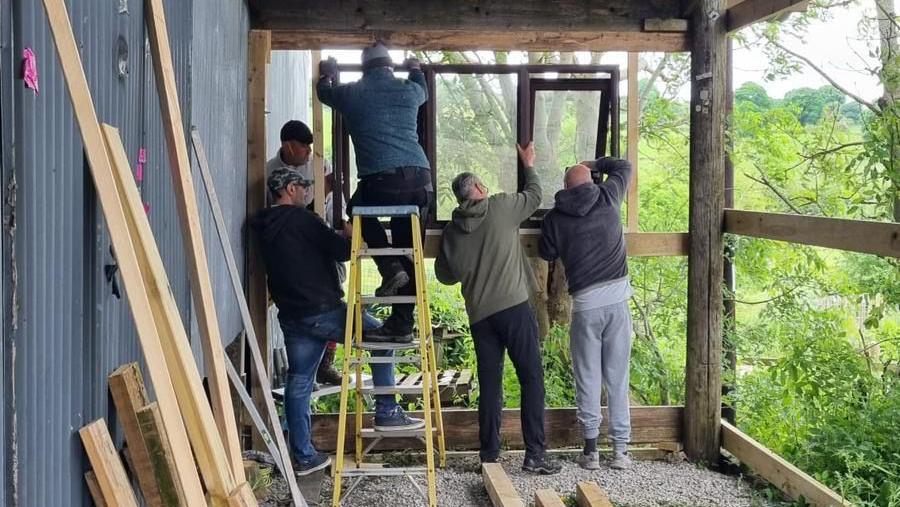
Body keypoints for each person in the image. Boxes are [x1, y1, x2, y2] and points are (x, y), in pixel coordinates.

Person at [251, 167, 424, 475]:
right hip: (324, 310)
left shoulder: (263, 225)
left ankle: (303, 456)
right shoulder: (303, 220)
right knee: (383, 338)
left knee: (300, 381)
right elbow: (343, 252)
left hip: (292, 316)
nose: (306, 193)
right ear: (289, 189)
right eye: (303, 188)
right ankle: (386, 411)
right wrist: (347, 235)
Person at [435, 142, 561, 475]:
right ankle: (535, 454)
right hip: (514, 307)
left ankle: (489, 455)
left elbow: (445, 276)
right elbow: (535, 195)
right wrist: (529, 163)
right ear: (477, 188)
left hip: (480, 316)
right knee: (531, 377)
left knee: (490, 385)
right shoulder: (500, 207)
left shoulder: (450, 232)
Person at [316, 44, 432, 343]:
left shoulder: (353, 93)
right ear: (390, 67)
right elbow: (423, 89)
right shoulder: (408, 90)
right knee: (410, 250)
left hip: (382, 182)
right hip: (419, 181)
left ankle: (388, 265)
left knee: (356, 209)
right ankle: (403, 324)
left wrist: (327, 74)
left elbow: (325, 93)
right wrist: (416, 66)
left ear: (365, 69)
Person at [538, 157, 635, 471]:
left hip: (585, 306)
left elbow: (546, 252)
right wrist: (593, 162)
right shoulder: (607, 195)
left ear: (565, 188)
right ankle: (620, 452)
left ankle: (590, 451)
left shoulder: (554, 218)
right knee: (617, 379)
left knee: (588, 378)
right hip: (618, 302)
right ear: (592, 180)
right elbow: (624, 167)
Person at [266, 120, 344, 385]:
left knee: (334, 281)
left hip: (319, 231)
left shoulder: (320, 164)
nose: (309, 152)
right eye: (303, 147)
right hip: (296, 242)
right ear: (288, 145)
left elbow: (334, 203)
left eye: (311, 147)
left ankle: (326, 360)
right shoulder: (270, 171)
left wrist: (338, 223)